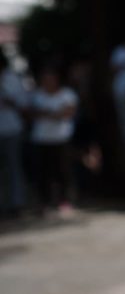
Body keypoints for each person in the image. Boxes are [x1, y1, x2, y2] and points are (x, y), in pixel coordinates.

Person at [30, 63, 78, 214]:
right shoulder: (37, 95)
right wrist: (55, 113)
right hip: (41, 139)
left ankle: (65, 200)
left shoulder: (67, 94)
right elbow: (30, 113)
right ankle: (44, 202)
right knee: (43, 173)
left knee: (63, 171)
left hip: (61, 138)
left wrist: (47, 113)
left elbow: (68, 112)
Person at [0, 50, 30, 218]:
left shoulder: (12, 79)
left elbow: (23, 103)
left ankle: (16, 203)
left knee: (13, 167)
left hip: (12, 129)